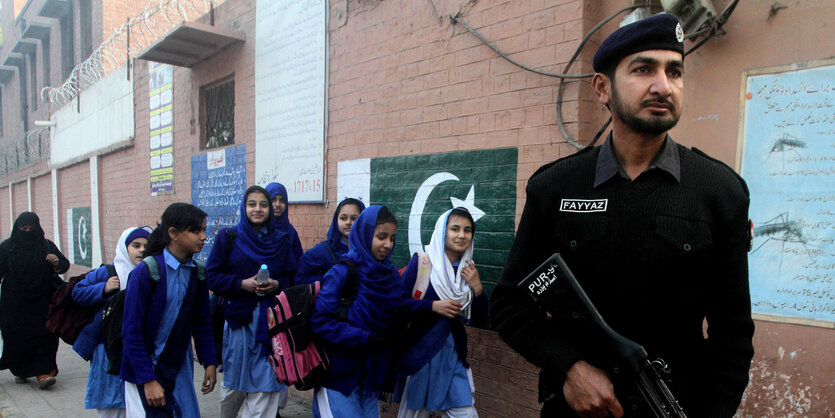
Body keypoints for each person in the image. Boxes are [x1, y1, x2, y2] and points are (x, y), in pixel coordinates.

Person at [489, 13, 755, 418]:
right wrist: (570, 367)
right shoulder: (556, 187)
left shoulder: (719, 191)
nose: (663, 86)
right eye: (643, 69)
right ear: (602, 88)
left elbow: (733, 334)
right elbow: (509, 303)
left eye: (675, 71)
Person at [310, 205, 414, 418]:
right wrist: (365, 338)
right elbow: (321, 321)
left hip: (371, 376)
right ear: (365, 234)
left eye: (392, 239)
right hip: (338, 377)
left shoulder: (389, 276)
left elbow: (399, 308)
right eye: (381, 237)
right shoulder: (342, 273)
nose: (387, 245)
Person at [120, 203, 217, 416]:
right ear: (173, 233)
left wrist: (209, 361)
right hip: (147, 368)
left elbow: (201, 322)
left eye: (203, 230)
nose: (202, 236)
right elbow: (131, 332)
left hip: (178, 367)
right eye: (195, 231)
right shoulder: (146, 273)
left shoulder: (198, 273)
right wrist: (148, 380)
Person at [207, 185, 297, 417]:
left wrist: (277, 285)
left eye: (263, 205)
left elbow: (293, 277)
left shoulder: (282, 241)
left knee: (266, 389)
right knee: (233, 389)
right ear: (244, 208)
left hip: (271, 325)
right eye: (252, 204)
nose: (258, 209)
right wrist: (241, 284)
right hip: (239, 323)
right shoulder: (228, 238)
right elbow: (213, 277)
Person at [395, 208, 488, 418]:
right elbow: (397, 305)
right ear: (442, 232)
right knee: (414, 414)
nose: (462, 235)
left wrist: (478, 288)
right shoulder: (422, 263)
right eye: (455, 229)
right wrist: (432, 306)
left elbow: (482, 319)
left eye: (467, 230)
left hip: (453, 357)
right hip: (422, 353)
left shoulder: (468, 271)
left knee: (466, 413)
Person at [73, 226, 152, 417]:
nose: (141, 250)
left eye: (146, 246)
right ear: (125, 248)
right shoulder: (109, 272)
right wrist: (103, 288)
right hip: (106, 348)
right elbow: (77, 292)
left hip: (138, 347)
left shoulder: (152, 273)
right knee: (111, 403)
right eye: (135, 245)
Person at [0, 212, 70, 389]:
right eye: (24, 229)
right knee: (17, 337)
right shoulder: (7, 248)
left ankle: (44, 372)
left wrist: (56, 263)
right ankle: (21, 370)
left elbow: (64, 264)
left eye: (31, 229)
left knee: (45, 335)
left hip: (43, 301)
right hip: (15, 304)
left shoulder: (45, 246)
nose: (28, 232)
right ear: (18, 228)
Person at [295, 198, 365, 285]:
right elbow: (300, 280)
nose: (348, 222)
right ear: (336, 221)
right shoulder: (322, 251)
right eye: (343, 218)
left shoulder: (368, 250)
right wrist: (331, 279)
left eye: (354, 219)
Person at [265, 182, 304, 265]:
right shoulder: (259, 229)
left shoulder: (290, 232)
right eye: (273, 200)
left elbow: (300, 263)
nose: (278, 204)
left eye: (281, 200)